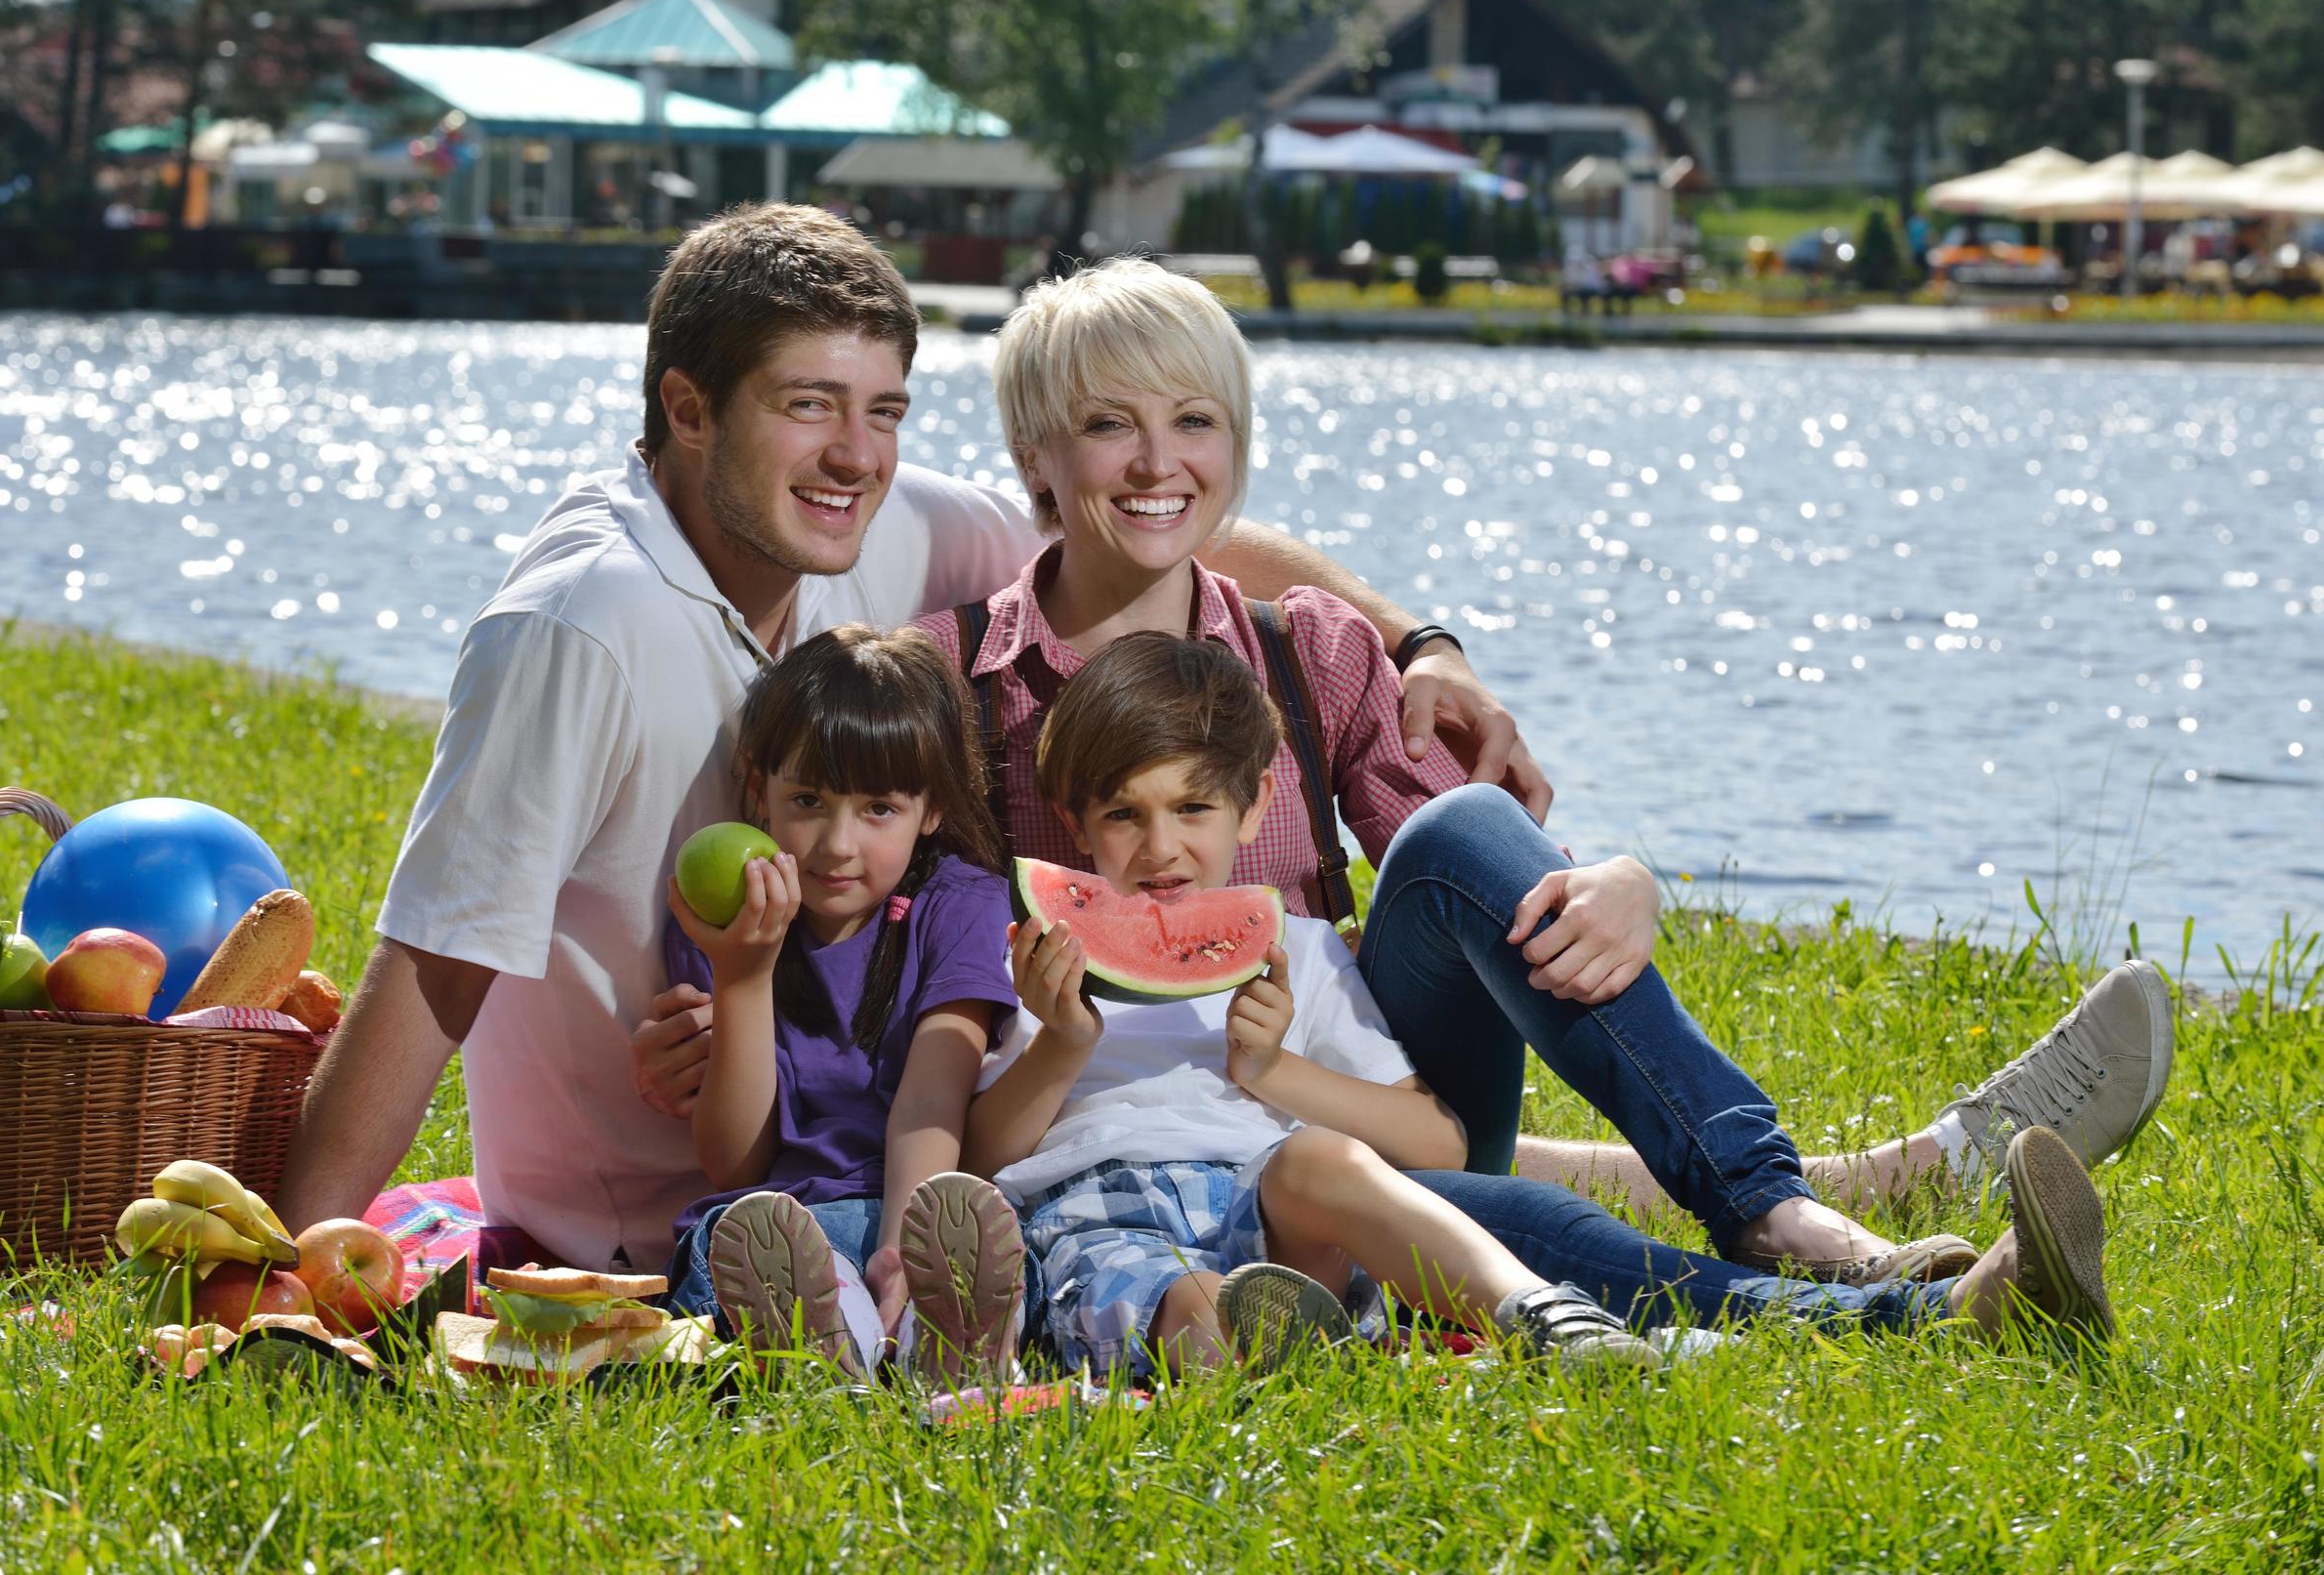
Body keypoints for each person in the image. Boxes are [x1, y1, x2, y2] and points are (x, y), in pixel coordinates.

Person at [274, 206, 1544, 1267]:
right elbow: (434, 964)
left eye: (885, 411)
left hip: (885, 1134)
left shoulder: (866, 517)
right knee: (1409, 1204)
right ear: (690, 407)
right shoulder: (578, 628)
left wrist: (1415, 639)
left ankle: (1652, 1202)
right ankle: (1625, 1258)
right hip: (652, 1226)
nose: (857, 455)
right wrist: (295, 1255)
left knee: (1396, 1170)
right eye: (811, 406)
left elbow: (1143, 520)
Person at [892, 259, 2174, 1280]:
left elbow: (1458, 872)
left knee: (1457, 827)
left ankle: (1772, 1204)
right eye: (1108, 426)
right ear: (1034, 462)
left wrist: (1616, 880)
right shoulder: (950, 681)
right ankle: (1898, 1264)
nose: (1159, 462)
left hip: (1354, 1103)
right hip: (1108, 1138)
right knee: (1541, 1242)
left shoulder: (1313, 653)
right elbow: (918, 976)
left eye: (1195, 422)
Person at [968, 636, 2113, 1375]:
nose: (1161, 850)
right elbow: (980, 1150)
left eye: (1191, 810)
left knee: (1529, 1222)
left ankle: (1894, 1286)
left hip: (1307, 1205)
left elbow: (1441, 1140)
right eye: (1121, 818)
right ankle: (1918, 1309)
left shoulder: (1300, 952)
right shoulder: (1043, 966)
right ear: (1070, 825)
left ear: (1253, 803)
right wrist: (1061, 1043)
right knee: (1214, 1271)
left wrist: (1275, 1075)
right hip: (1108, 1217)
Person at [659, 625, 1030, 1384]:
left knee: (976, 1244)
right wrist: (741, 976)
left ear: (930, 811)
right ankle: (839, 1349)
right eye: (808, 800)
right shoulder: (723, 916)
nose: (836, 843)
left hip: (927, 1212)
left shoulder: (960, 903)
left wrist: (903, 1250)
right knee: (751, 1235)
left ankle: (923, 1334)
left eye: (878, 809)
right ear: (757, 790)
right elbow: (734, 1159)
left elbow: (932, 1096)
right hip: (781, 1227)